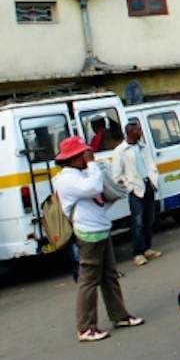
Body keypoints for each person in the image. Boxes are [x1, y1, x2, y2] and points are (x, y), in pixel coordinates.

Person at [54, 136, 143, 343]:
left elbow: (98, 197)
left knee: (109, 277)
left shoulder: (79, 174)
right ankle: (86, 327)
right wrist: (94, 165)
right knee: (89, 281)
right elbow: (93, 189)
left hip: (99, 228)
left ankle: (119, 315)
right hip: (89, 233)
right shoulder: (67, 179)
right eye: (84, 154)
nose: (87, 156)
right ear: (74, 157)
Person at [111, 121, 161, 267]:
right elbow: (117, 175)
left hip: (148, 185)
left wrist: (153, 181)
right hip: (136, 190)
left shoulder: (143, 147)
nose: (141, 132)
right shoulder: (120, 151)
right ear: (131, 132)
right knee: (137, 222)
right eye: (138, 130)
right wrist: (130, 186)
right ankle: (138, 253)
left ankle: (147, 248)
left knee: (149, 219)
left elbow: (151, 165)